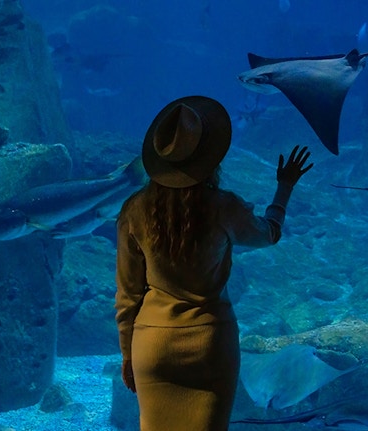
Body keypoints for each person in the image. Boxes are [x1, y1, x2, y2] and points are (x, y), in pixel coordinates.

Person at [115, 95, 313, 431]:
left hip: (152, 346)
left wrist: (128, 355)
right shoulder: (224, 207)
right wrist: (284, 187)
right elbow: (269, 233)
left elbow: (128, 296)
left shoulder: (134, 210)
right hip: (209, 345)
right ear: (210, 159)